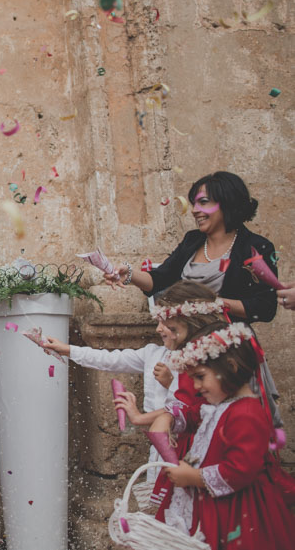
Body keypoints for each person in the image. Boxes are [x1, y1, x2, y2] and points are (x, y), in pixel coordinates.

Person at [106, 172, 283, 426]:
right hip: (190, 350)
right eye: (194, 204)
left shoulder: (255, 247)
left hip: (228, 350)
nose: (195, 210)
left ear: (228, 202)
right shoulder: (193, 240)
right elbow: (160, 278)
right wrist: (130, 274)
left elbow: (265, 308)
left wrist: (215, 303)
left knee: (235, 424)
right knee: (194, 422)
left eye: (204, 203)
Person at [42, 281, 226, 505]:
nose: (158, 329)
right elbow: (111, 359)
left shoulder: (204, 364)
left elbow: (193, 406)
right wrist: (68, 349)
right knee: (160, 508)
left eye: (165, 323)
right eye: (158, 322)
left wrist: (169, 386)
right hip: (159, 449)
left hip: (189, 448)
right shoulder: (153, 354)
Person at [150, 321, 295, 549]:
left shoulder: (247, 413)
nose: (196, 386)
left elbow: (241, 469)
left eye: (200, 376)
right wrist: (169, 418)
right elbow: (195, 414)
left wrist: (195, 478)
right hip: (213, 502)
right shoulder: (220, 403)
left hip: (239, 511)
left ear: (231, 367)